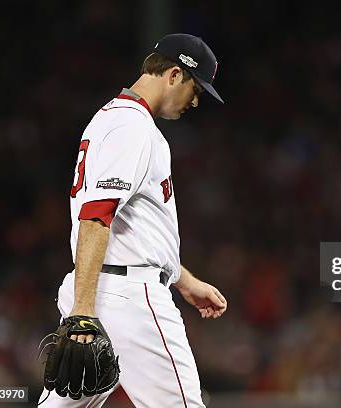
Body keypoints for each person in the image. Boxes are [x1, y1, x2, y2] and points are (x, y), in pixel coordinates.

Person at [39, 33, 227, 407]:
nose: (195, 100)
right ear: (174, 75)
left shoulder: (117, 119)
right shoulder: (132, 128)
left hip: (107, 288)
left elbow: (133, 229)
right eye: (196, 88)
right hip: (129, 299)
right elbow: (96, 218)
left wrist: (183, 280)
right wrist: (83, 311)